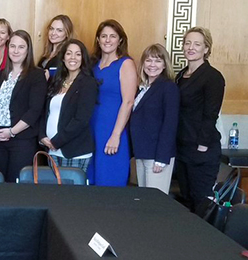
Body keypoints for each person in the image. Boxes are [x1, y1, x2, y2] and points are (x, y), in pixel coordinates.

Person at [175, 27, 225, 212]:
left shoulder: (213, 77)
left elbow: (211, 113)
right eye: (187, 43)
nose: (191, 47)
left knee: (201, 204)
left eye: (197, 44)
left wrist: (201, 145)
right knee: (187, 201)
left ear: (206, 49)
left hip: (202, 150)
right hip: (182, 148)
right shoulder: (181, 75)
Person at [0, 30, 47, 182]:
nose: (15, 50)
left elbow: (34, 111)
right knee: (1, 183)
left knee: (16, 185)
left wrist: (12, 132)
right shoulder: (0, 75)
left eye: (21, 47)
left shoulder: (36, 75)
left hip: (22, 141)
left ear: (28, 50)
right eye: (12, 46)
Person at [88, 19, 137, 186]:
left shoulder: (126, 64)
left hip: (112, 130)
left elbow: (128, 102)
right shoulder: (92, 64)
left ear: (120, 40)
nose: (107, 40)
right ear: (98, 40)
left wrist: (116, 135)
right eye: (103, 36)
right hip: (91, 130)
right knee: (90, 182)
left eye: (112, 36)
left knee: (109, 183)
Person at [38, 39, 97, 172]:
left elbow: (81, 119)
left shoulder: (88, 83)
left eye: (77, 54)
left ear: (83, 58)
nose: (73, 58)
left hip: (75, 151)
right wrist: (42, 136)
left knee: (72, 193)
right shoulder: (56, 81)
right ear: (63, 58)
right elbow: (45, 112)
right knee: (55, 192)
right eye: (69, 53)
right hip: (52, 151)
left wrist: (56, 141)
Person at [129, 44, 179, 194]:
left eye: (157, 61)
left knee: (156, 204)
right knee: (145, 201)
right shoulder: (142, 88)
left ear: (165, 64)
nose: (152, 65)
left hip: (157, 156)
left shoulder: (168, 88)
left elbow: (170, 124)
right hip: (142, 153)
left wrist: (162, 158)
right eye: (148, 60)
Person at [37, 15, 74, 79]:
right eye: (51, 29)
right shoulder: (46, 55)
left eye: (59, 30)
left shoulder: (66, 55)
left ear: (67, 34)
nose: (53, 33)